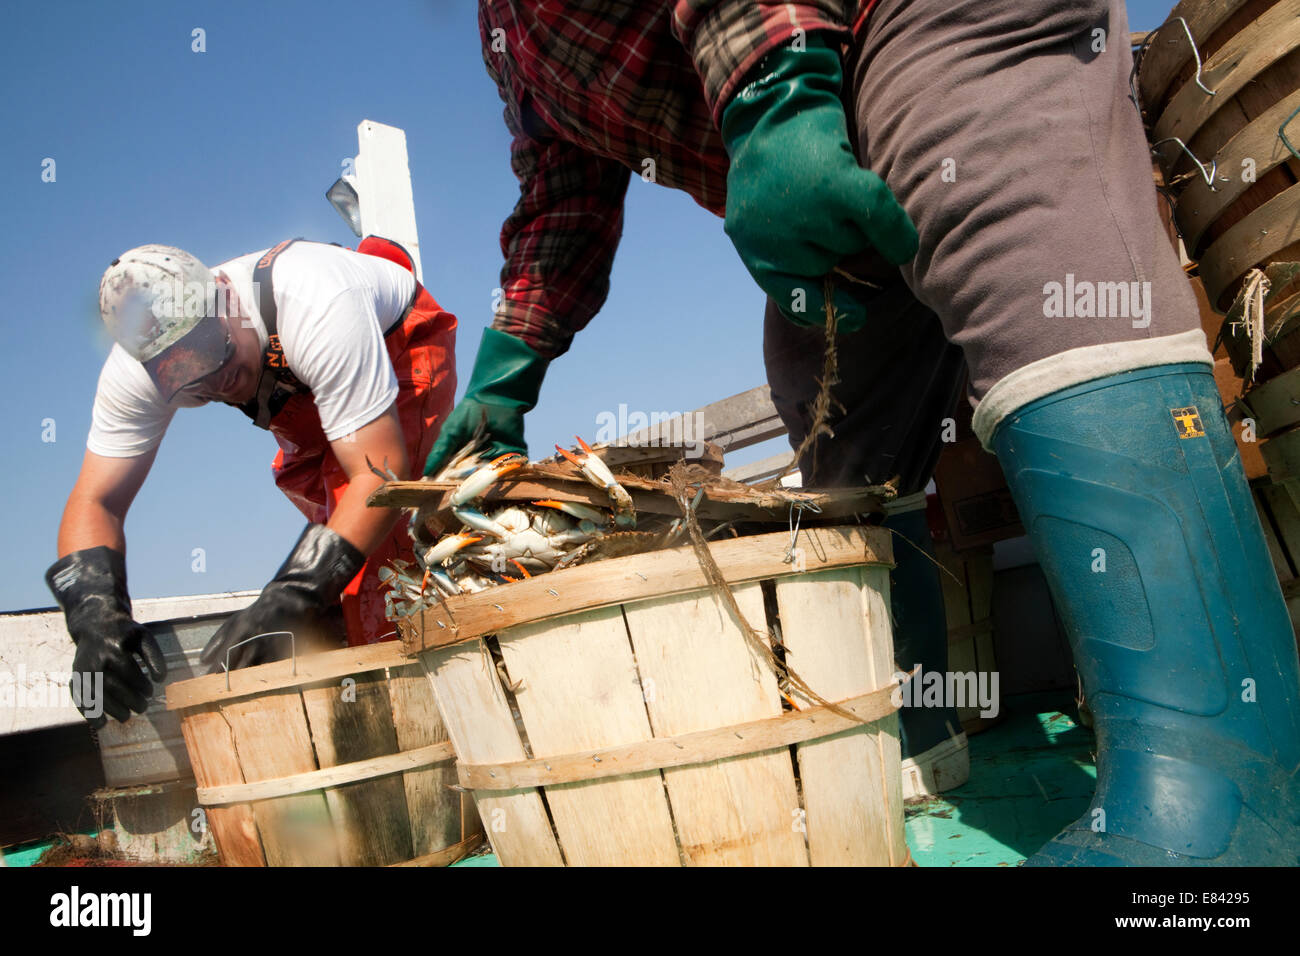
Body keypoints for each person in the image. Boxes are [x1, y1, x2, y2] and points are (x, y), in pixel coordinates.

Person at [423, 0, 1300, 864]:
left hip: (909, 23)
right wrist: (509, 366)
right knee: (822, 375)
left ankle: (1223, 792)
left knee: (996, 201)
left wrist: (774, 93)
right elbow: (563, 192)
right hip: (819, 100)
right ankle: (916, 722)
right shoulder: (504, 29)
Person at [46, 239, 457, 727]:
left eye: (213, 354)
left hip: (398, 346)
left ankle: (423, 725)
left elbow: (379, 473)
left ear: (224, 296)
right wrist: (92, 618)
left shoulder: (314, 299)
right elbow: (97, 500)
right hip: (299, 384)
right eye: (188, 380)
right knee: (333, 541)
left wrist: (290, 594)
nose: (216, 383)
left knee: (376, 563)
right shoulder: (134, 373)